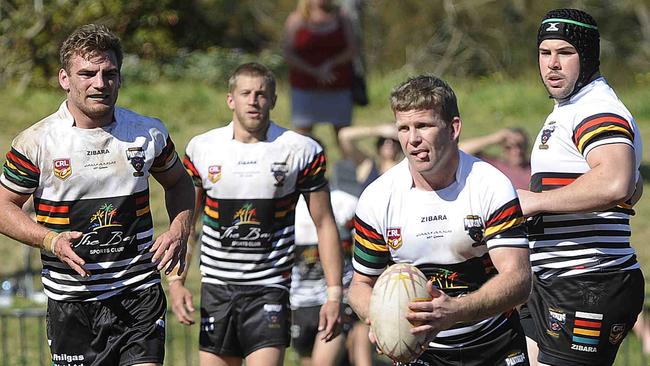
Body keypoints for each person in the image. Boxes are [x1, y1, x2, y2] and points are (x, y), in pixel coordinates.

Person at [0, 24, 194, 366]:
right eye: (87, 73)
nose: (100, 84)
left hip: (138, 294)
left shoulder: (147, 133)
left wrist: (179, 229)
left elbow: (179, 183)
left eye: (110, 74)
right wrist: (50, 240)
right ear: (64, 78)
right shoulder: (36, 142)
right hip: (73, 303)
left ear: (119, 78)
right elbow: (3, 207)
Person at [167, 62, 343, 366]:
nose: (253, 100)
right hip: (217, 288)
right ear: (230, 99)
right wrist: (177, 281)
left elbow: (324, 224)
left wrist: (335, 294)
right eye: (245, 93)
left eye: (261, 93)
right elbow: (187, 224)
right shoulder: (203, 148)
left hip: (269, 288)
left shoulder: (300, 150)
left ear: (273, 100)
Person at [348, 75, 532, 366]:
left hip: (494, 343)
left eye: (423, 125)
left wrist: (455, 311)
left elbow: (519, 278)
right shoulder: (377, 197)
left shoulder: (490, 185)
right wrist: (382, 317)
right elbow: (360, 284)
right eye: (404, 128)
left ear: (453, 128)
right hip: (423, 353)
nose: (412, 139)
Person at [516, 8, 644, 366]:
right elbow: (630, 185)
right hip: (549, 283)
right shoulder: (568, 108)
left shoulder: (597, 107)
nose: (552, 64)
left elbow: (616, 181)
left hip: (589, 283)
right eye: (545, 53)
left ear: (587, 56)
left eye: (565, 53)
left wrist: (535, 202)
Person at [290, 187, 369, 366]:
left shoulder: (345, 203)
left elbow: (369, 245)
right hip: (299, 304)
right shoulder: (285, 203)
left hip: (335, 301)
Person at [283, 0, 357, 144]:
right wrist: (314, 71)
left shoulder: (342, 17)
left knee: (343, 137)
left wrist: (330, 64)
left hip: (338, 86)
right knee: (302, 139)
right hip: (304, 87)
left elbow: (352, 49)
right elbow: (287, 53)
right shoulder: (296, 19)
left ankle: (348, 166)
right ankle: (308, 166)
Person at [337, 123, 402, 196]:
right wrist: (379, 130)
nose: (389, 143)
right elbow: (344, 135)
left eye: (394, 140)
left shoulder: (405, 169)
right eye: (383, 140)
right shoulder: (368, 166)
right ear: (378, 145)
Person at [459, 128, 531, 190]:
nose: (516, 151)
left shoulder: (534, 168)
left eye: (521, 146)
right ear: (503, 148)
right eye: (509, 147)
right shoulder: (494, 166)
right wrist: (494, 139)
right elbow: (460, 150)